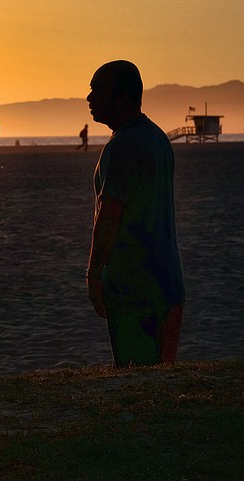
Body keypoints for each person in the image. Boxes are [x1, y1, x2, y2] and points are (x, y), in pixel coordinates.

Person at [85, 60, 185, 367]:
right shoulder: (157, 138)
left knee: (138, 382)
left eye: (98, 91)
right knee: (159, 386)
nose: (89, 99)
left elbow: (109, 216)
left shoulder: (123, 146)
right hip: (168, 283)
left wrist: (93, 275)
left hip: (135, 289)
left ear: (124, 97)